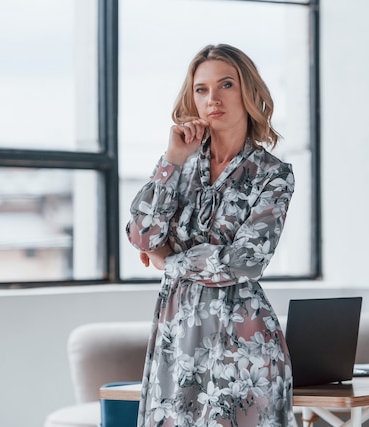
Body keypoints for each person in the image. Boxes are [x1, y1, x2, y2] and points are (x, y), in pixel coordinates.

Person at [126, 44, 295, 427]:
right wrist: (170, 161)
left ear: (248, 92)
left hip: (245, 343)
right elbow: (140, 234)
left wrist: (170, 261)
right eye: (201, 89)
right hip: (177, 333)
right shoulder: (181, 162)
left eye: (226, 85)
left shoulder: (273, 173)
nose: (212, 98)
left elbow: (246, 261)